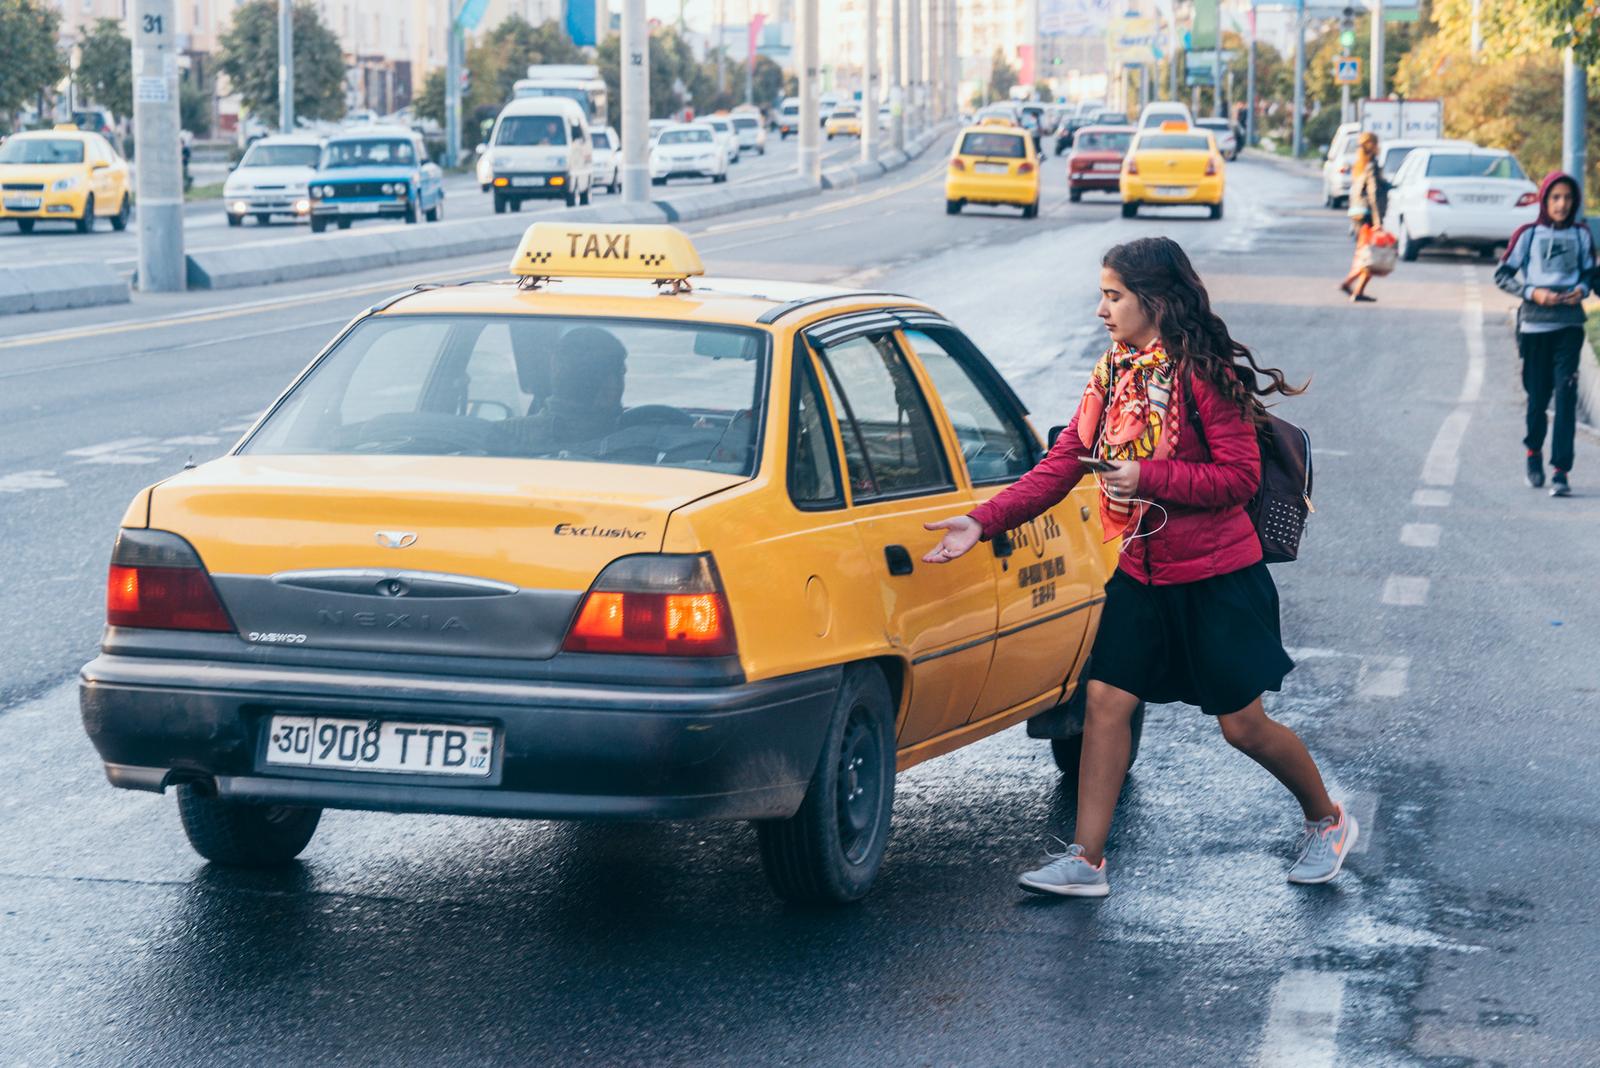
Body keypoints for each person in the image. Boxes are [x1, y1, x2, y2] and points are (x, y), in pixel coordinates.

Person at [922, 237, 1355, 897]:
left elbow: (1237, 479)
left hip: (1217, 577)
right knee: (1104, 701)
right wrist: (984, 521)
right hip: (1143, 571)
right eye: (1103, 294)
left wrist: (1147, 474)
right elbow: (1065, 460)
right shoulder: (1116, 374)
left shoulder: (1206, 377)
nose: (1102, 309)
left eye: (1113, 296)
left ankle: (1326, 819)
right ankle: (1086, 859)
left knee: (1242, 725)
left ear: (1154, 300)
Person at [1494, 171, 1595, 497]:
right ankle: (1533, 451)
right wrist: (1533, 293)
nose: (1562, 204)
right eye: (1555, 197)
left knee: (1566, 395)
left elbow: (1590, 276)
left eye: (1567, 198)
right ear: (1544, 200)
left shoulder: (1581, 235)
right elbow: (1502, 275)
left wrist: (1580, 290)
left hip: (1569, 324)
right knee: (1538, 398)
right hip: (1535, 325)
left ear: (1575, 201)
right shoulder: (1528, 234)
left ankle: (1561, 470)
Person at [492, 326, 627, 456]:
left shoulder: (498, 436)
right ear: (610, 388)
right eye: (621, 372)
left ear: (555, 370)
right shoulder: (641, 445)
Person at [1339, 131, 1386, 303]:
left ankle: (1355, 288)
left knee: (1366, 254)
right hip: (1367, 215)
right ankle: (1351, 285)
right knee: (1370, 255)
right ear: (1374, 145)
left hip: (1356, 212)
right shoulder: (1372, 165)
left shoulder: (1360, 164)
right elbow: (1373, 194)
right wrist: (1378, 222)